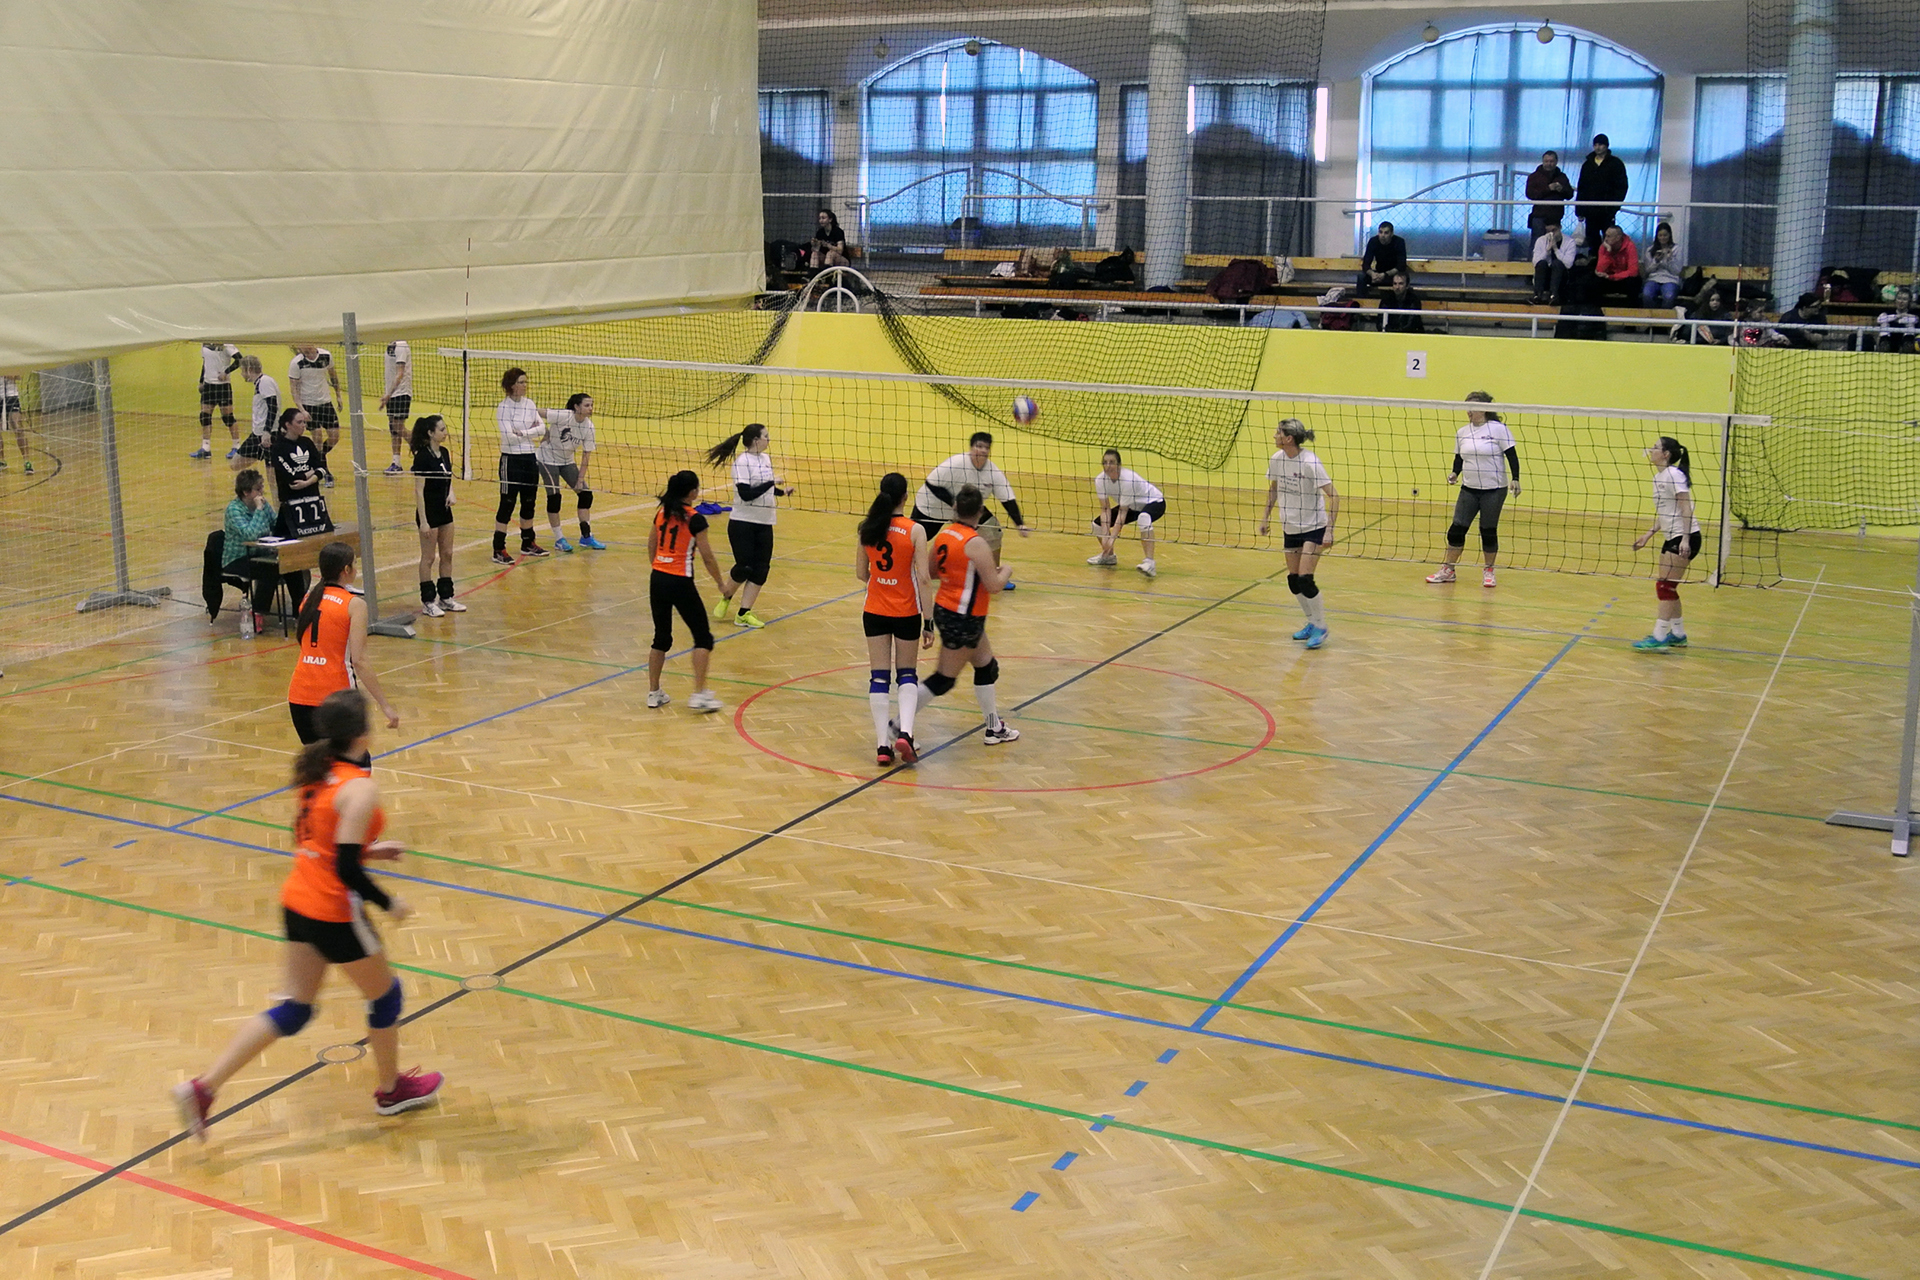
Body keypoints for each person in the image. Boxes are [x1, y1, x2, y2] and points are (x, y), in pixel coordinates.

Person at [170, 688, 443, 1140]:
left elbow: (317, 843)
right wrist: (389, 903)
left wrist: (370, 851)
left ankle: (203, 1088)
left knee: (295, 1010)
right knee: (386, 998)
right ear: (363, 734)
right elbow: (345, 869)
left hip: (298, 901)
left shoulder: (315, 772)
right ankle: (391, 1092)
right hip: (334, 911)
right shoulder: (359, 787)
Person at [913, 485, 1018, 745]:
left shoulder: (945, 535)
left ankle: (993, 727)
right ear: (980, 511)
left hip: (949, 610)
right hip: (964, 617)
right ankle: (897, 726)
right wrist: (1006, 570)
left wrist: (961, 574)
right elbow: (994, 585)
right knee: (943, 679)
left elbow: (932, 572)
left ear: (955, 508)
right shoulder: (976, 543)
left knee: (986, 666)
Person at [855, 473, 934, 766]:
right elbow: (924, 579)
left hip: (874, 610)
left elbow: (861, 573)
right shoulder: (915, 530)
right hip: (906, 612)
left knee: (879, 676)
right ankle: (906, 734)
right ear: (905, 497)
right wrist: (929, 622)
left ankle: (882, 746)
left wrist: (882, 584)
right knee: (907, 674)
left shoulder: (867, 528)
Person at [287, 541, 401, 743]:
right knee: (353, 760)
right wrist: (385, 705)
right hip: (337, 699)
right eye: (354, 564)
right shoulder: (354, 605)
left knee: (318, 760)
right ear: (346, 570)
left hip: (299, 697)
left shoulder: (308, 599)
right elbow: (359, 660)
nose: (356, 568)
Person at [646, 470, 727, 713]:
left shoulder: (662, 513)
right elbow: (708, 557)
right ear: (692, 492)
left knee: (661, 638)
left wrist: (659, 567)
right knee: (703, 638)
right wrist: (721, 584)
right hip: (680, 581)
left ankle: (654, 692)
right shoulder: (695, 519)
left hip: (658, 578)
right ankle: (700, 694)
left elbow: (651, 544)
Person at [1424, 392, 1521, 588]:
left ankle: (1489, 571)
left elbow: (1511, 455)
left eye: (1472, 408)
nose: (1468, 411)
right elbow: (1459, 457)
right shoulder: (1462, 432)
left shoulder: (1498, 429)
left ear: (1484, 409)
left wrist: (1515, 479)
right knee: (1456, 529)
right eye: (1466, 407)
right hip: (1469, 488)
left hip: (1494, 489)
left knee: (1488, 530)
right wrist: (1455, 473)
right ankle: (1448, 569)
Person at [911, 431, 1030, 589]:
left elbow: (1007, 499)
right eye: (979, 446)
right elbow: (932, 484)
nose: (982, 450)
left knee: (993, 532)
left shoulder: (992, 472)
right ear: (971, 448)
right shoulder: (955, 463)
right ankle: (903, 568)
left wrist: (1019, 524)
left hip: (967, 508)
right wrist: (953, 503)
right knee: (915, 538)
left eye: (986, 447)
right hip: (933, 506)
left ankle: (993, 574)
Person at [1258, 419, 1338, 650]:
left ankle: (1321, 626)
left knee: (1305, 579)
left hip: (1314, 527)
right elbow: (1273, 489)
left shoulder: (1310, 462)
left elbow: (1335, 496)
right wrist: (1265, 517)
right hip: (1290, 526)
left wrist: (1329, 529)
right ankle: (1312, 622)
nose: (1274, 436)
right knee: (1294, 581)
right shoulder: (1277, 459)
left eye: (1278, 433)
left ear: (1288, 438)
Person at [706, 422, 792, 628]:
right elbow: (746, 494)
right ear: (755, 440)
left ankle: (744, 613)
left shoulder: (765, 459)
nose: (768, 439)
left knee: (761, 570)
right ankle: (727, 596)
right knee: (744, 567)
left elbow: (763, 488)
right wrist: (771, 483)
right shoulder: (742, 462)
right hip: (743, 523)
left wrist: (781, 492)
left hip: (765, 521)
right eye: (765, 436)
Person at [1630, 437, 1700, 651]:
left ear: (1666, 454)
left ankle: (1659, 637)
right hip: (1672, 536)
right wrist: (1648, 535)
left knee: (1665, 587)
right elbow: (1666, 512)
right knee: (1668, 587)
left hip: (1685, 537)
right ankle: (1678, 634)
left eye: (1655, 448)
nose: (1651, 450)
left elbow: (1686, 508)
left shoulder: (1674, 475)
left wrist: (1685, 539)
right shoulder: (1659, 477)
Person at [411, 415, 467, 619]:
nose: (445, 433)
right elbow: (419, 491)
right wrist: (424, 522)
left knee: (448, 553)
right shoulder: (422, 457)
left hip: (444, 511)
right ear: (430, 433)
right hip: (429, 512)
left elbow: (447, 477)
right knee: (428, 558)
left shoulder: (443, 453)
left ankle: (446, 597)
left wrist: (451, 492)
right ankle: (428, 601)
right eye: (441, 430)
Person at [536, 392, 604, 553]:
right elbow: (534, 411)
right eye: (587, 405)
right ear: (576, 407)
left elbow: (586, 455)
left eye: (591, 405)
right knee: (554, 497)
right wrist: (545, 431)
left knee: (585, 494)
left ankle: (586, 536)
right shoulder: (563, 416)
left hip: (567, 461)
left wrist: (580, 479)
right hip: (547, 459)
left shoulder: (589, 427)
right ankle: (559, 539)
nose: (590, 408)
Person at [492, 367, 548, 564]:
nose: (525, 386)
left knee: (529, 501)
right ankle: (498, 548)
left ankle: (528, 542)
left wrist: (522, 433)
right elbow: (508, 436)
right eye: (521, 382)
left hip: (529, 458)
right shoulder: (504, 407)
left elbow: (542, 428)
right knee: (507, 503)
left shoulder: (530, 404)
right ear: (511, 385)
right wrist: (529, 432)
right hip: (511, 459)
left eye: (526, 382)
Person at [1088, 449, 1166, 578]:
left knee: (1144, 518)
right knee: (1097, 525)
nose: (1108, 466)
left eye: (1112, 462)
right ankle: (1109, 556)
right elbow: (1105, 509)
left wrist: (1112, 539)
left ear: (1119, 465)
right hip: (1132, 506)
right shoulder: (1100, 480)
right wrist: (1105, 537)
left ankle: (1150, 563)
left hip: (1154, 502)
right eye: (1105, 462)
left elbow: (1122, 513)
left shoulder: (1128, 480)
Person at [222, 468, 280, 634]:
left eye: (262, 487)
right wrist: (259, 510)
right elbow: (250, 535)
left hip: (260, 554)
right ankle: (258, 613)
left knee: (290, 565)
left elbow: (275, 523)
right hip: (238, 559)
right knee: (269, 570)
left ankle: (299, 611)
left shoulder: (263, 504)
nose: (262, 492)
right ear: (246, 492)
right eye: (258, 489)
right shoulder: (234, 510)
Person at [269, 407, 334, 538]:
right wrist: (311, 472)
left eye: (304, 422)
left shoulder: (307, 443)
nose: (304, 425)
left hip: (313, 498)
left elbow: (322, 468)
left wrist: (307, 482)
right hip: (291, 503)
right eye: (299, 422)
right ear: (288, 424)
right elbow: (291, 479)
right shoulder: (278, 447)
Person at [288, 345, 343, 485]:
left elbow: (333, 376)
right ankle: (325, 473)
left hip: (325, 403)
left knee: (334, 437)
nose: (304, 351)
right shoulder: (296, 363)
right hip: (308, 405)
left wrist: (338, 396)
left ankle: (317, 457)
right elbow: (293, 388)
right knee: (317, 437)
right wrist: (301, 409)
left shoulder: (326, 356)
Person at [191, 342, 243, 460]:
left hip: (222, 386)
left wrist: (226, 372)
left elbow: (240, 360)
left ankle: (236, 446)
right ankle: (206, 448)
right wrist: (201, 381)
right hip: (208, 385)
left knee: (227, 417)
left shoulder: (227, 345)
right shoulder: (205, 344)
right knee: (204, 416)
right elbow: (205, 363)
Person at [1575, 133, 1629, 239]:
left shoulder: (1616, 164)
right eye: (1595, 145)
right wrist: (1579, 209)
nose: (1598, 147)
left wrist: (1614, 206)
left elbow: (1622, 186)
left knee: (1610, 237)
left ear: (1606, 146)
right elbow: (1582, 187)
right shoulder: (1587, 165)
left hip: (1607, 209)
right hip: (1590, 209)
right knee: (1591, 237)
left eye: (1600, 144)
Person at [231, 355, 278, 473]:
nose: (241, 374)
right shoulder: (261, 382)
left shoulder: (264, 382)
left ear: (249, 369)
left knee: (236, 464)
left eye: (242, 370)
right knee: (270, 467)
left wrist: (267, 431)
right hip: (259, 432)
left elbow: (273, 406)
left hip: (264, 433)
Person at [1524, 151, 1574, 249]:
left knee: (1555, 244)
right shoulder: (1534, 177)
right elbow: (1530, 194)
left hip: (1556, 217)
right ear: (1542, 161)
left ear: (1556, 162)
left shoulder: (1562, 177)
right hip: (1539, 215)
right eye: (1546, 161)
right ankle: (1533, 259)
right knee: (1537, 244)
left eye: (1551, 161)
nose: (1549, 164)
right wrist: (1548, 189)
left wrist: (1562, 189)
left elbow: (1570, 194)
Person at [379, 340, 412, 476]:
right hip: (392, 394)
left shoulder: (401, 346)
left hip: (401, 393)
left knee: (398, 427)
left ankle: (421, 447)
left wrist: (388, 394)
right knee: (394, 429)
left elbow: (400, 373)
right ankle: (396, 463)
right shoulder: (390, 345)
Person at [1530, 221, 1578, 305]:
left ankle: (1554, 296)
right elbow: (1536, 263)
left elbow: (1568, 264)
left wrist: (1556, 249)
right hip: (1545, 278)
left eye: (1554, 230)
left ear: (1560, 228)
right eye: (1548, 231)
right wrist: (1547, 250)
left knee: (1557, 263)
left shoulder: (1570, 242)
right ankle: (1537, 296)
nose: (1551, 234)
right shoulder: (1541, 240)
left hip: (1561, 279)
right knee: (1542, 263)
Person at [1638, 223, 1684, 308]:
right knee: (1646, 295)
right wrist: (1656, 261)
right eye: (1660, 235)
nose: (1663, 238)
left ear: (1669, 235)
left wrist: (1669, 259)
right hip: (1653, 279)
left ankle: (1665, 316)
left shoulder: (1677, 249)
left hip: (1671, 279)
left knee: (1669, 296)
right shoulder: (1650, 250)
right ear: (1657, 236)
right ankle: (1651, 315)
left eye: (1665, 235)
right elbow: (1648, 270)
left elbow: (1676, 271)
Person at [1357, 222, 1407, 297]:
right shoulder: (1373, 241)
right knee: (1361, 276)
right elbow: (1365, 264)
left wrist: (1385, 274)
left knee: (1402, 278)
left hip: (1393, 275)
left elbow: (1401, 265)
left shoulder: (1399, 242)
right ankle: (1361, 301)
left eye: (1386, 233)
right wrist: (1372, 274)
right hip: (1378, 274)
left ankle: (1400, 301)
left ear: (1391, 234)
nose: (1383, 235)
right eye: (1380, 232)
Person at [1593, 225, 1640, 302]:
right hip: (1608, 278)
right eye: (1605, 236)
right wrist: (1608, 252)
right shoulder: (1604, 247)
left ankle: (1631, 307)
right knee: (1595, 282)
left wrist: (1612, 277)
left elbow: (1633, 272)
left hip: (1623, 278)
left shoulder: (1630, 246)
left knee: (1634, 282)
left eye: (1608, 236)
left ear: (1618, 238)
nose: (1605, 239)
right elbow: (1600, 270)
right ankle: (1598, 307)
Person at [0, 374, 29, 473]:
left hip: (11, 395)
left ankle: (27, 461)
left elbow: (19, 377)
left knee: (17, 427)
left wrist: (6, 373)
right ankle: (2, 460)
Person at [1875, 288, 1918, 354]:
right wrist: (1897, 316)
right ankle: (1884, 347)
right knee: (1884, 323)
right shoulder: (1887, 313)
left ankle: (1907, 347)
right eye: (1899, 298)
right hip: (1890, 342)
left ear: (1909, 301)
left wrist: (1903, 317)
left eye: (1904, 299)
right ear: (1895, 300)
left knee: (1910, 324)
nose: (1901, 302)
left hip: (1904, 343)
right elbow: (1879, 319)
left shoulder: (1913, 314)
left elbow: (1915, 320)